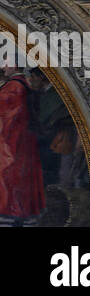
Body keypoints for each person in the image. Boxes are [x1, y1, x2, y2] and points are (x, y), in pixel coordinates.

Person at [0, 67, 45, 223]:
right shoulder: (22, 84)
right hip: (22, 139)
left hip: (12, 140)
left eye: (7, 62)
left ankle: (12, 212)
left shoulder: (14, 87)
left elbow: (7, 116)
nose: (3, 66)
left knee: (11, 177)